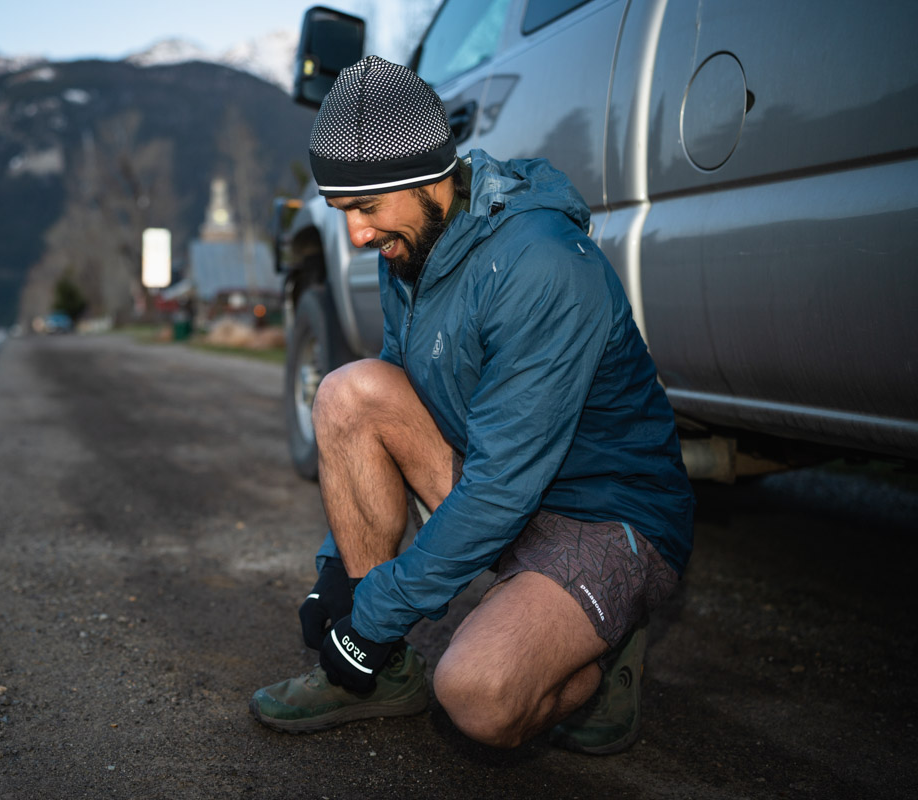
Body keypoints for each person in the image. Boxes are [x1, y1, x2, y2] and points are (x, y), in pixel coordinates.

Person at [249, 56, 694, 753]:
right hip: (508, 482)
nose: (358, 235)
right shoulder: (410, 248)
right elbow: (396, 399)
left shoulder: (537, 263)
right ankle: (384, 675)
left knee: (478, 696)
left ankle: (600, 653)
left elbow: (500, 485)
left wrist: (372, 616)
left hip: (606, 514)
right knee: (349, 390)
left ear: (428, 176)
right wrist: (339, 574)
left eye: (366, 209)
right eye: (344, 214)